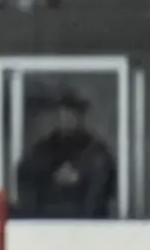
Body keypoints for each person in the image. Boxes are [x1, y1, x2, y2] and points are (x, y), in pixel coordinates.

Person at [16, 89, 116, 218]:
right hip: (46, 216)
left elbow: (106, 183)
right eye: (63, 113)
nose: (67, 118)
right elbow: (28, 171)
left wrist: (79, 174)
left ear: (81, 117)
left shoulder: (95, 149)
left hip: (85, 218)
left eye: (72, 113)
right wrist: (53, 176)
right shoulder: (45, 147)